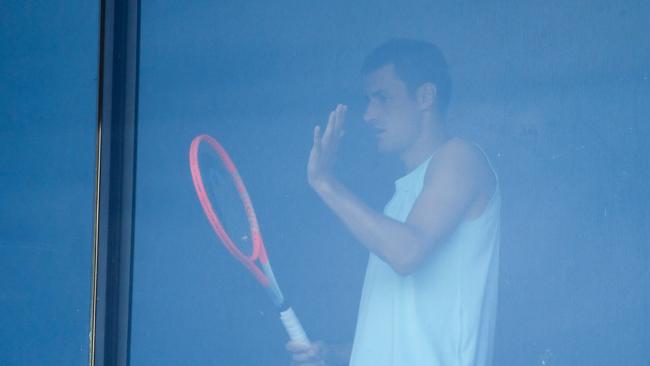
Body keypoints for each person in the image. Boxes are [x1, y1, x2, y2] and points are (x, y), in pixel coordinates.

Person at [287, 39, 500, 366]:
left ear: (426, 97)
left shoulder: (460, 156)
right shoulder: (397, 205)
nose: (368, 115)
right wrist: (334, 355)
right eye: (368, 101)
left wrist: (324, 182)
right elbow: (400, 338)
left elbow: (407, 253)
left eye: (382, 98)